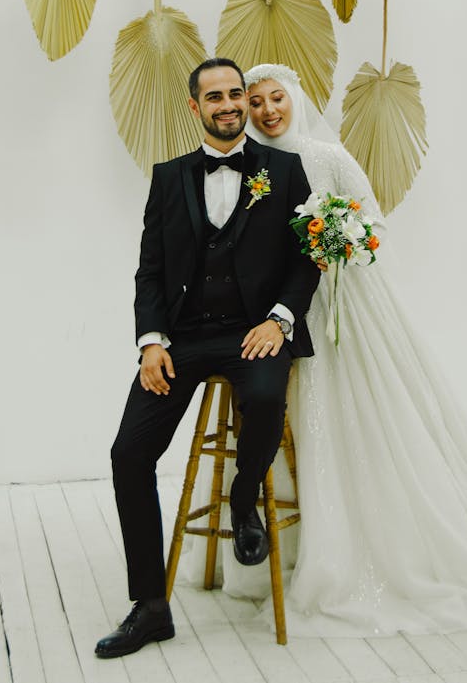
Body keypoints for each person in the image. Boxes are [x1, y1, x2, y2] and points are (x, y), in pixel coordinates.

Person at [235, 62, 467, 636]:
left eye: (276, 98)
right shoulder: (250, 167)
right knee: (287, 418)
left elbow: (370, 217)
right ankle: (283, 541)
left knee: (367, 411)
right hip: (283, 311)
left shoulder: (325, 157)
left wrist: (335, 236)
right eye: (256, 103)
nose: (267, 110)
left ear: (295, 100)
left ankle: (384, 541)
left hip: (342, 301)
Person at [94, 58, 320, 659]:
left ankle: (244, 501)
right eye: (214, 96)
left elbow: (307, 259)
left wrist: (280, 319)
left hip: (257, 332)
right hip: (184, 340)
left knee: (268, 396)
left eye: (236, 94)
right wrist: (151, 341)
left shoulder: (285, 169)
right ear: (195, 107)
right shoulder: (168, 177)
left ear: (246, 101)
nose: (228, 104)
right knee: (129, 454)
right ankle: (150, 606)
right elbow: (151, 269)